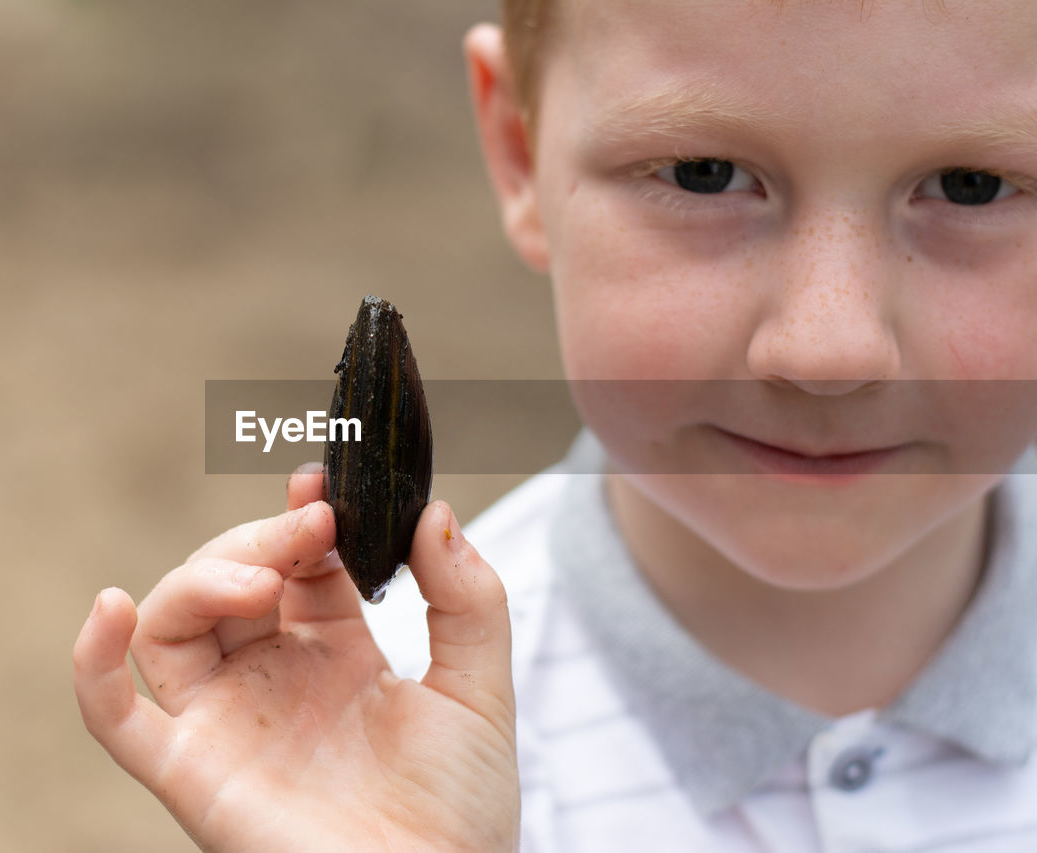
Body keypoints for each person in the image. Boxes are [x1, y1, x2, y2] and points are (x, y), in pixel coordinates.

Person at [73, 1, 1037, 849]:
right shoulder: (379, 726)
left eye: (972, 186)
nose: (829, 349)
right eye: (705, 173)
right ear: (519, 148)